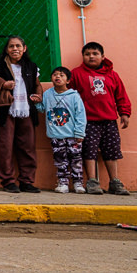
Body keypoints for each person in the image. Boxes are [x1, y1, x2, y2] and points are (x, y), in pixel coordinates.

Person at [69, 42, 132, 195]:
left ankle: (114, 182)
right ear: (83, 57)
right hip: (87, 121)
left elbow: (121, 95)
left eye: (95, 53)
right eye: (87, 54)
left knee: (111, 150)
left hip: (109, 120)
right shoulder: (76, 73)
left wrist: (124, 112)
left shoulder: (112, 75)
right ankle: (92, 181)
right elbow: (70, 96)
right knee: (89, 150)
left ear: (102, 56)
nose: (91, 56)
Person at [0, 36, 43, 193]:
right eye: (11, 46)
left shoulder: (31, 67)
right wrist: (2, 84)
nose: (15, 49)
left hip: (27, 111)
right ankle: (8, 181)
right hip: (5, 112)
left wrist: (39, 96)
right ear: (6, 49)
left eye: (18, 46)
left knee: (28, 147)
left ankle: (27, 182)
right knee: (5, 147)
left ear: (24, 49)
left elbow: (37, 86)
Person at [33, 66, 87, 194]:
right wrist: (36, 102)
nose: (58, 77)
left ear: (68, 80)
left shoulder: (74, 96)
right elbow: (42, 109)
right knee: (60, 160)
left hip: (73, 135)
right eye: (55, 74)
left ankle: (78, 183)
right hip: (55, 135)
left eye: (62, 75)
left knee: (76, 159)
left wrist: (80, 132)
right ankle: (63, 183)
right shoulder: (47, 94)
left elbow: (81, 115)